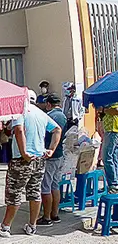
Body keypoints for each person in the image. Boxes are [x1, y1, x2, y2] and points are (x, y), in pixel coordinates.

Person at [0, 96, 62, 237]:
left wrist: (24, 153)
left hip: (22, 160)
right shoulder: (41, 113)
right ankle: (32, 226)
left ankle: (5, 227)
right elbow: (57, 129)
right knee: (35, 192)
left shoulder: (20, 112)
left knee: (14, 193)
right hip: (39, 159)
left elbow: (19, 130)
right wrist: (51, 149)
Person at [39, 94, 70, 226]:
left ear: (48, 104)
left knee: (45, 186)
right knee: (55, 185)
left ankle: (46, 217)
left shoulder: (49, 116)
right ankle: (55, 214)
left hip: (50, 154)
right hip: (60, 154)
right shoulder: (63, 116)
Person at [101, 103, 118, 194]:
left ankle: (113, 184)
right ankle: (115, 182)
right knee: (114, 157)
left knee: (106, 157)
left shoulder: (114, 97)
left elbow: (116, 111)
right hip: (110, 129)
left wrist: (106, 110)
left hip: (112, 129)